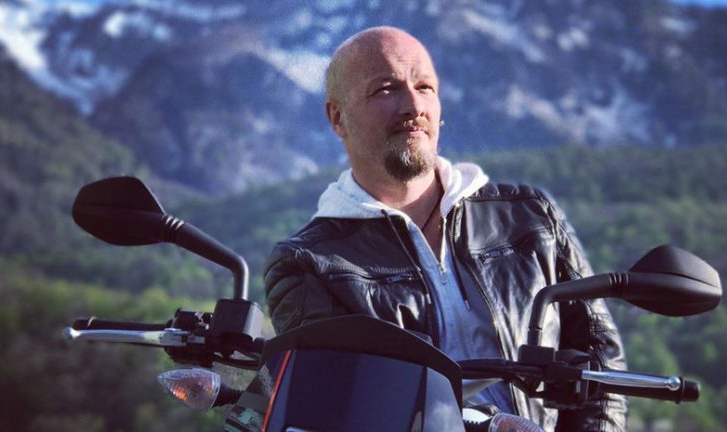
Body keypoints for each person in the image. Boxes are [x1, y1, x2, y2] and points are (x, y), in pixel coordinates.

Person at [263, 26, 626, 431]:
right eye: (386, 89)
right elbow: (338, 410)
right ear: (337, 117)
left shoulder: (531, 216)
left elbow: (602, 366)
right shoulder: (310, 263)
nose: (413, 105)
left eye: (425, 87)